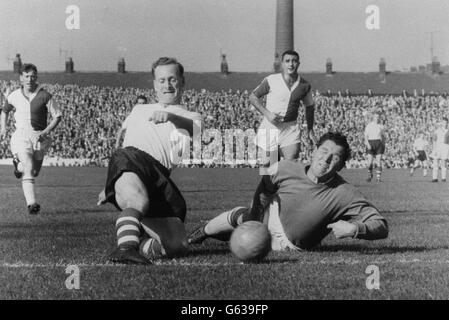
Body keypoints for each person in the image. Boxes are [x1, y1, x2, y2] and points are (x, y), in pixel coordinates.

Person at [189, 132, 388, 251]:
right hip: (263, 225)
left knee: (240, 235)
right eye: (324, 151)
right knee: (244, 216)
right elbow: (265, 185)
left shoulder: (345, 193)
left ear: (342, 165)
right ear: (314, 151)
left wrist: (355, 230)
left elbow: (380, 225)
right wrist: (254, 217)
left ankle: (228, 234)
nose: (326, 159)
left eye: (335, 157)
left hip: (291, 246)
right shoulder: (285, 168)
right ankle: (203, 232)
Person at [98, 57, 202, 264]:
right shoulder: (139, 110)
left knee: (177, 245)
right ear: (154, 84)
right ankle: (125, 248)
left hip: (160, 176)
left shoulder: (192, 116)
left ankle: (136, 241)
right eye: (162, 80)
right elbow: (125, 143)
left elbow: (195, 130)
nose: (167, 85)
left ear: (182, 81)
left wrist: (170, 117)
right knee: (138, 200)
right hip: (133, 160)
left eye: (172, 79)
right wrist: (116, 180)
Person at [0, 63, 62, 214]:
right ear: (21, 78)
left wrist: (46, 131)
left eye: (32, 76)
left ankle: (18, 166)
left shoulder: (45, 96)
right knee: (28, 165)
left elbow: (58, 116)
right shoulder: (14, 95)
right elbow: (4, 111)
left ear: (36, 78)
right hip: (21, 135)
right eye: (26, 76)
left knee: (34, 172)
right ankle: (32, 204)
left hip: (40, 137)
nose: (29, 79)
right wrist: (3, 128)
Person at [249, 50, 315, 168]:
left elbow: (309, 106)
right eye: (287, 61)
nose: (291, 64)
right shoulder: (271, 80)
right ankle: (271, 184)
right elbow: (253, 97)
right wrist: (267, 114)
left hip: (290, 128)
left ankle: (287, 186)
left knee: (291, 164)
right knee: (270, 168)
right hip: (271, 126)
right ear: (282, 63)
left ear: (299, 63)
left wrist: (310, 129)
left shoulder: (304, 85)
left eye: (294, 61)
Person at [364, 112, 386, 182]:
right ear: (373, 117)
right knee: (370, 162)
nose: (377, 118)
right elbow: (365, 136)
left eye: (378, 117)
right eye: (376, 117)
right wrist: (368, 144)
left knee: (378, 161)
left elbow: (383, 136)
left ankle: (378, 178)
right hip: (371, 142)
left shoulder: (381, 126)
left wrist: (383, 145)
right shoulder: (369, 126)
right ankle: (370, 175)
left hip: (378, 143)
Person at [430, 118, 449, 182]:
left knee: (444, 163)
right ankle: (434, 178)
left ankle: (443, 178)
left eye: (445, 122)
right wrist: (434, 149)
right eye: (443, 122)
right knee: (435, 163)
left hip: (445, 148)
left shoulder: (447, 131)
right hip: (437, 148)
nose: (444, 124)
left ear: (447, 123)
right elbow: (434, 140)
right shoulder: (437, 131)